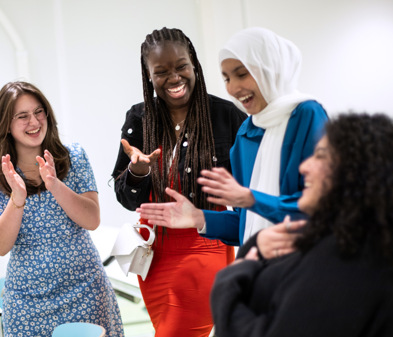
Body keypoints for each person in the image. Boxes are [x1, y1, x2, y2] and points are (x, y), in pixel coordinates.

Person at [152, 112, 393, 337]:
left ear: (355, 172)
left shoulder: (341, 265)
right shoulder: (374, 249)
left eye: (320, 156)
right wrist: (232, 240)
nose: (304, 166)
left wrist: (231, 281)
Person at [111, 27, 246, 337]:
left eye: (181, 67)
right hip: (153, 259)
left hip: (206, 252)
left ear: (194, 66)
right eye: (161, 71)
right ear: (148, 74)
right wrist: (137, 173)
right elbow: (124, 194)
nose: (173, 78)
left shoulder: (226, 117)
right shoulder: (139, 119)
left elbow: (249, 191)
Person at [0, 81, 127, 337]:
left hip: (83, 289)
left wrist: (55, 185)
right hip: (27, 299)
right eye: (22, 116)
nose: (34, 122)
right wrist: (17, 197)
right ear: (5, 123)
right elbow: (0, 245)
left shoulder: (73, 156)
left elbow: (92, 219)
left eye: (38, 112)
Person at [138, 27, 328, 248]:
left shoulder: (306, 115)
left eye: (242, 74)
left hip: (308, 264)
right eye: (226, 78)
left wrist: (251, 199)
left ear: (270, 68)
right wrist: (198, 217)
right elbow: (247, 223)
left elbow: (323, 208)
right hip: (264, 271)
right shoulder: (246, 133)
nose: (234, 88)